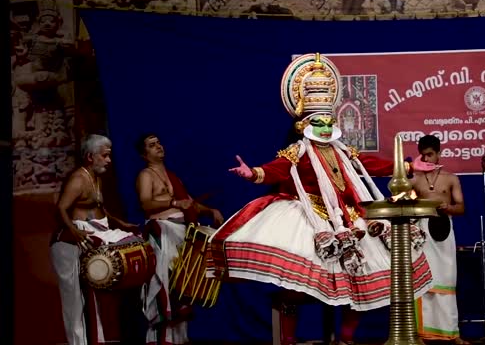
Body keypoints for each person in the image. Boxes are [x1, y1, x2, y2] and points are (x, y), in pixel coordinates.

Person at [215, 53, 433, 345]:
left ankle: (344, 339)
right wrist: (252, 172)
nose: (327, 126)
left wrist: (407, 166)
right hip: (311, 220)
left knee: (360, 280)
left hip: (347, 218)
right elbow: (275, 169)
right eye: (319, 121)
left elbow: (367, 164)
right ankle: (289, 340)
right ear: (304, 124)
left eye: (330, 120)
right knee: (297, 287)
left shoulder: (341, 150)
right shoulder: (299, 152)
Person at [50, 134, 140, 345]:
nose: (109, 160)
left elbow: (98, 208)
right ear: (91, 157)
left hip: (95, 233)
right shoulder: (78, 179)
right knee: (75, 300)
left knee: (91, 298)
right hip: (71, 242)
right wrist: (73, 230)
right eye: (105, 156)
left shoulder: (95, 176)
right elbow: (61, 208)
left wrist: (119, 222)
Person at [135, 133, 224, 345]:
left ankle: (179, 340)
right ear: (144, 154)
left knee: (181, 288)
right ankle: (160, 341)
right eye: (152, 145)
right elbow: (145, 204)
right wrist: (174, 203)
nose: (159, 147)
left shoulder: (172, 175)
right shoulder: (145, 176)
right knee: (164, 288)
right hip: (162, 233)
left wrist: (210, 210)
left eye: (158, 143)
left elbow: (189, 203)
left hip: (180, 233)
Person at [411, 134, 468, 345]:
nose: (426, 159)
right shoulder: (415, 179)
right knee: (422, 281)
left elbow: (461, 207)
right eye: (423, 155)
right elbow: (401, 200)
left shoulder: (451, 178)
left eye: (430, 154)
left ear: (438, 153)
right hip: (422, 232)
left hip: (444, 228)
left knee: (447, 281)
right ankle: (420, 335)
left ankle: (453, 334)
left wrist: (448, 207)